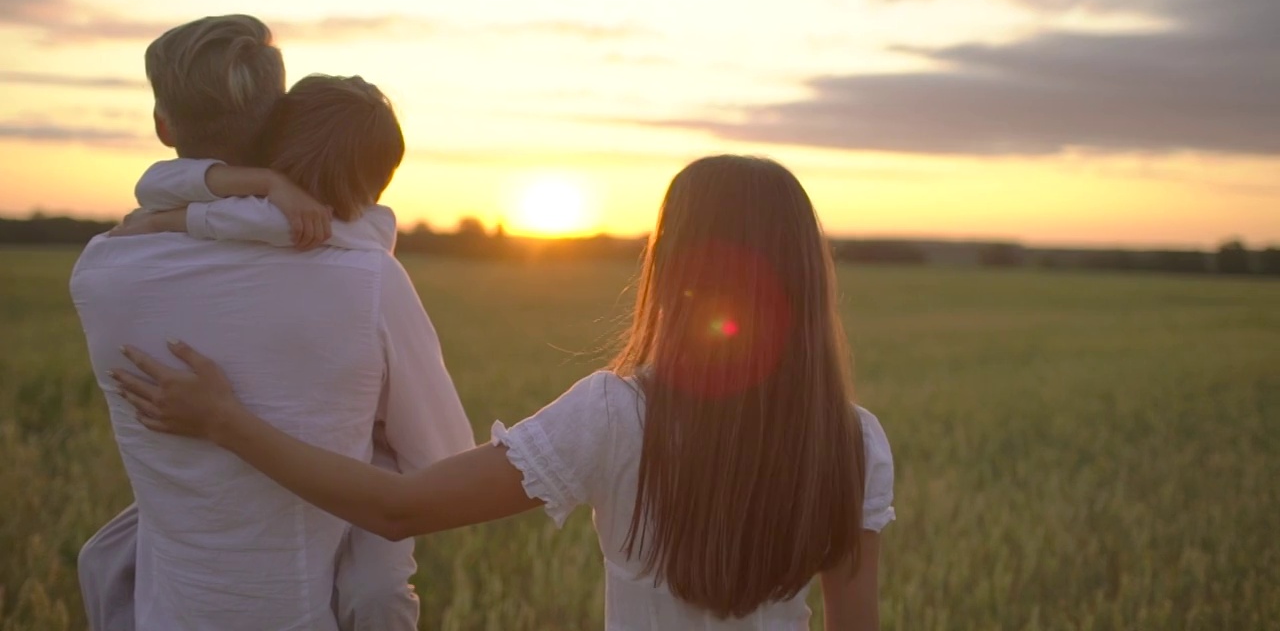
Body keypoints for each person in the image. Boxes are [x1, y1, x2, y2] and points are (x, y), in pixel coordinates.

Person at [113, 155, 896, 630]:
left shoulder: (618, 416)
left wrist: (224, 420)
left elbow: (400, 508)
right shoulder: (854, 442)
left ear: (679, 268)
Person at [72, 15, 473, 631]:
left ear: (162, 126)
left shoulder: (100, 274)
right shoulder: (366, 277)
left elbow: (158, 196)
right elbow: (447, 465)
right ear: (278, 117)